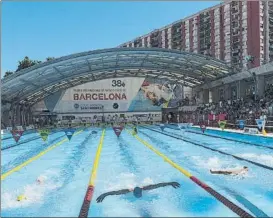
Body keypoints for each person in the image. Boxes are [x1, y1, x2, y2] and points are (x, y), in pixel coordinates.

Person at [96, 182, 180, 203]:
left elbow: (159, 185)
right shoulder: (127, 191)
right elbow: (114, 192)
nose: (138, 195)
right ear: (133, 193)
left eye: (139, 194)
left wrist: (170, 183)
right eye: (137, 194)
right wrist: (104, 194)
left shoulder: (146, 188)